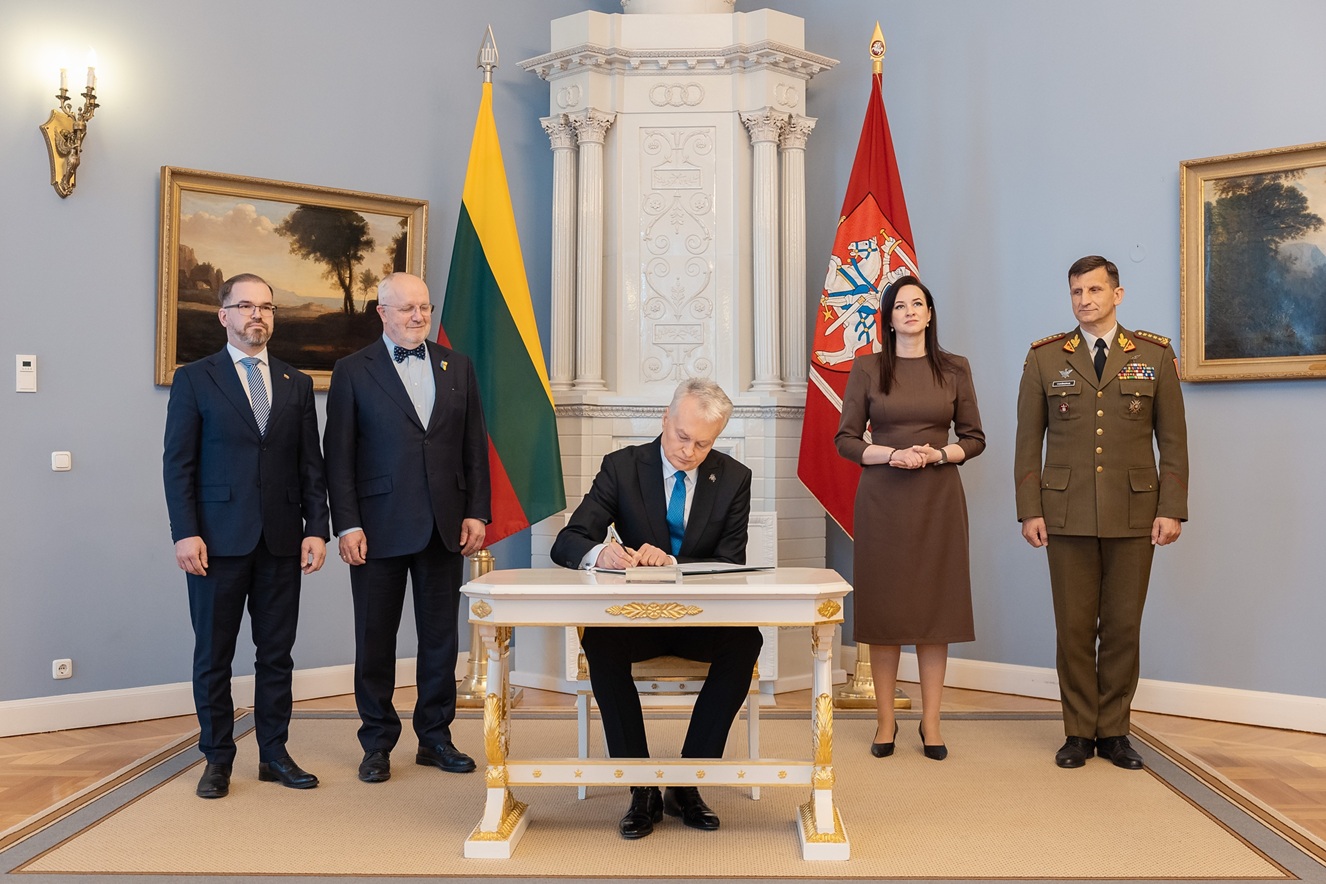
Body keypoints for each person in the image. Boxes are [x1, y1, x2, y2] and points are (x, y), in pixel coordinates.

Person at [550, 378, 762, 840]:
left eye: (703, 444)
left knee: (747, 640)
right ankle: (640, 784)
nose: (689, 451)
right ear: (665, 419)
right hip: (635, 618)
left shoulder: (734, 477)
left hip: (700, 620)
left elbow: (731, 564)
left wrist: (673, 564)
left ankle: (687, 780)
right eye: (682, 437)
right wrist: (600, 555)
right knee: (600, 641)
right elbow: (567, 541)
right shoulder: (622, 467)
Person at [1015, 255, 1189, 770]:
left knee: (1121, 629)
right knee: (1072, 630)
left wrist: (1171, 508)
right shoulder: (1045, 358)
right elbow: (1027, 444)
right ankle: (1077, 732)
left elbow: (1173, 442)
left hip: (1134, 512)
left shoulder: (1154, 355)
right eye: (1076, 291)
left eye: (1094, 290)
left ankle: (1114, 732)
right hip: (1064, 512)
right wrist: (1030, 510)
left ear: (1118, 294)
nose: (1084, 300)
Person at [163, 273, 329, 799]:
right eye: (246, 306)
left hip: (282, 542)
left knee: (276, 655)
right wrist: (186, 533)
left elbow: (311, 465)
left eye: (266, 307)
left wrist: (317, 529)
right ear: (224, 316)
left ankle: (274, 754)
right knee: (214, 656)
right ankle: (217, 759)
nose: (257, 315)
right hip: (216, 543)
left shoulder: (295, 382)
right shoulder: (195, 379)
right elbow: (178, 465)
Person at [323, 272, 491, 784]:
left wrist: (477, 511)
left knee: (440, 639)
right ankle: (376, 743)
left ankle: (435, 738)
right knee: (375, 640)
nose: (419, 317)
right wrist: (346, 524)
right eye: (406, 308)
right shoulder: (352, 370)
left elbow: (474, 445)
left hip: (445, 525)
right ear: (382, 312)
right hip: (376, 529)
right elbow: (338, 457)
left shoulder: (458, 366)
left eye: (424, 307)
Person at [834, 275, 985, 763]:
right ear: (889, 317)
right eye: (900, 306)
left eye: (918, 303)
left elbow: (974, 439)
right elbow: (846, 440)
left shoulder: (955, 368)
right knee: (886, 613)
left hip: (938, 499)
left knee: (934, 613)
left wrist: (937, 455)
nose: (910, 311)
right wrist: (892, 454)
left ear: (930, 313)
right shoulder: (867, 368)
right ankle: (885, 721)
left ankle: (931, 722)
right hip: (883, 500)